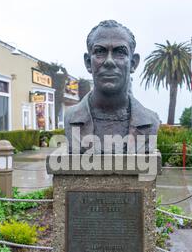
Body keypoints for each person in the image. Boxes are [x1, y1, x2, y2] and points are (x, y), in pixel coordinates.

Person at [65, 20, 160, 153]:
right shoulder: (70, 117)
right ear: (88, 62)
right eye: (100, 51)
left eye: (120, 52)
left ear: (133, 63)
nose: (109, 61)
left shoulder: (150, 121)